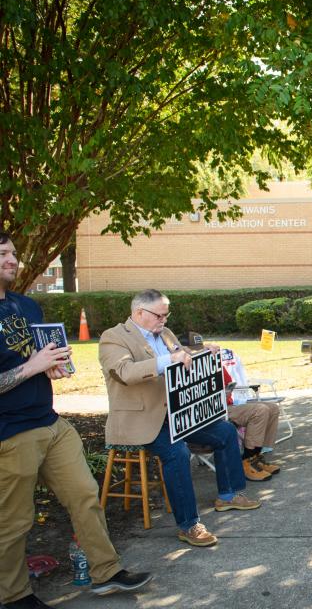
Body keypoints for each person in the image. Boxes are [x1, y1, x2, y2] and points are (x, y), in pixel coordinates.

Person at [0, 232, 152, 609]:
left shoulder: (26, 306)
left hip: (51, 423)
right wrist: (30, 366)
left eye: (14, 252)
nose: (12, 259)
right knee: (15, 521)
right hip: (10, 432)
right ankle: (13, 595)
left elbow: (34, 358)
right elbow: (21, 367)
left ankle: (106, 571)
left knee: (86, 496)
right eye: (2, 253)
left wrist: (49, 366)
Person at [99, 290, 261, 548]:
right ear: (139, 313)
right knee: (177, 453)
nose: (164, 319)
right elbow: (124, 372)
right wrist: (167, 360)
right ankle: (188, 525)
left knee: (225, 432)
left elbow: (182, 357)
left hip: (178, 415)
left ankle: (228, 495)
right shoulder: (114, 337)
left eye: (166, 314)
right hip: (143, 421)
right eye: (159, 315)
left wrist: (201, 354)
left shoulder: (164, 333)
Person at [220, 348, 281, 480]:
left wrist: (226, 391)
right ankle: (247, 460)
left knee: (273, 408)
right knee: (260, 410)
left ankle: (257, 455)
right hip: (214, 412)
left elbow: (228, 382)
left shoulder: (212, 364)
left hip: (228, 404)